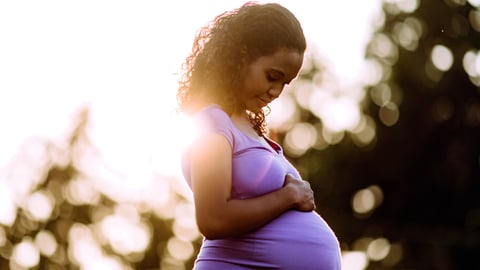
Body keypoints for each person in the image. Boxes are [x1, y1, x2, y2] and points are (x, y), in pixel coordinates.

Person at [177, 2, 342, 269]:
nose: (276, 91)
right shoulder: (212, 122)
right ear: (241, 56)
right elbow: (212, 219)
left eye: (284, 83)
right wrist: (288, 196)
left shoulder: (248, 129)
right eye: (272, 76)